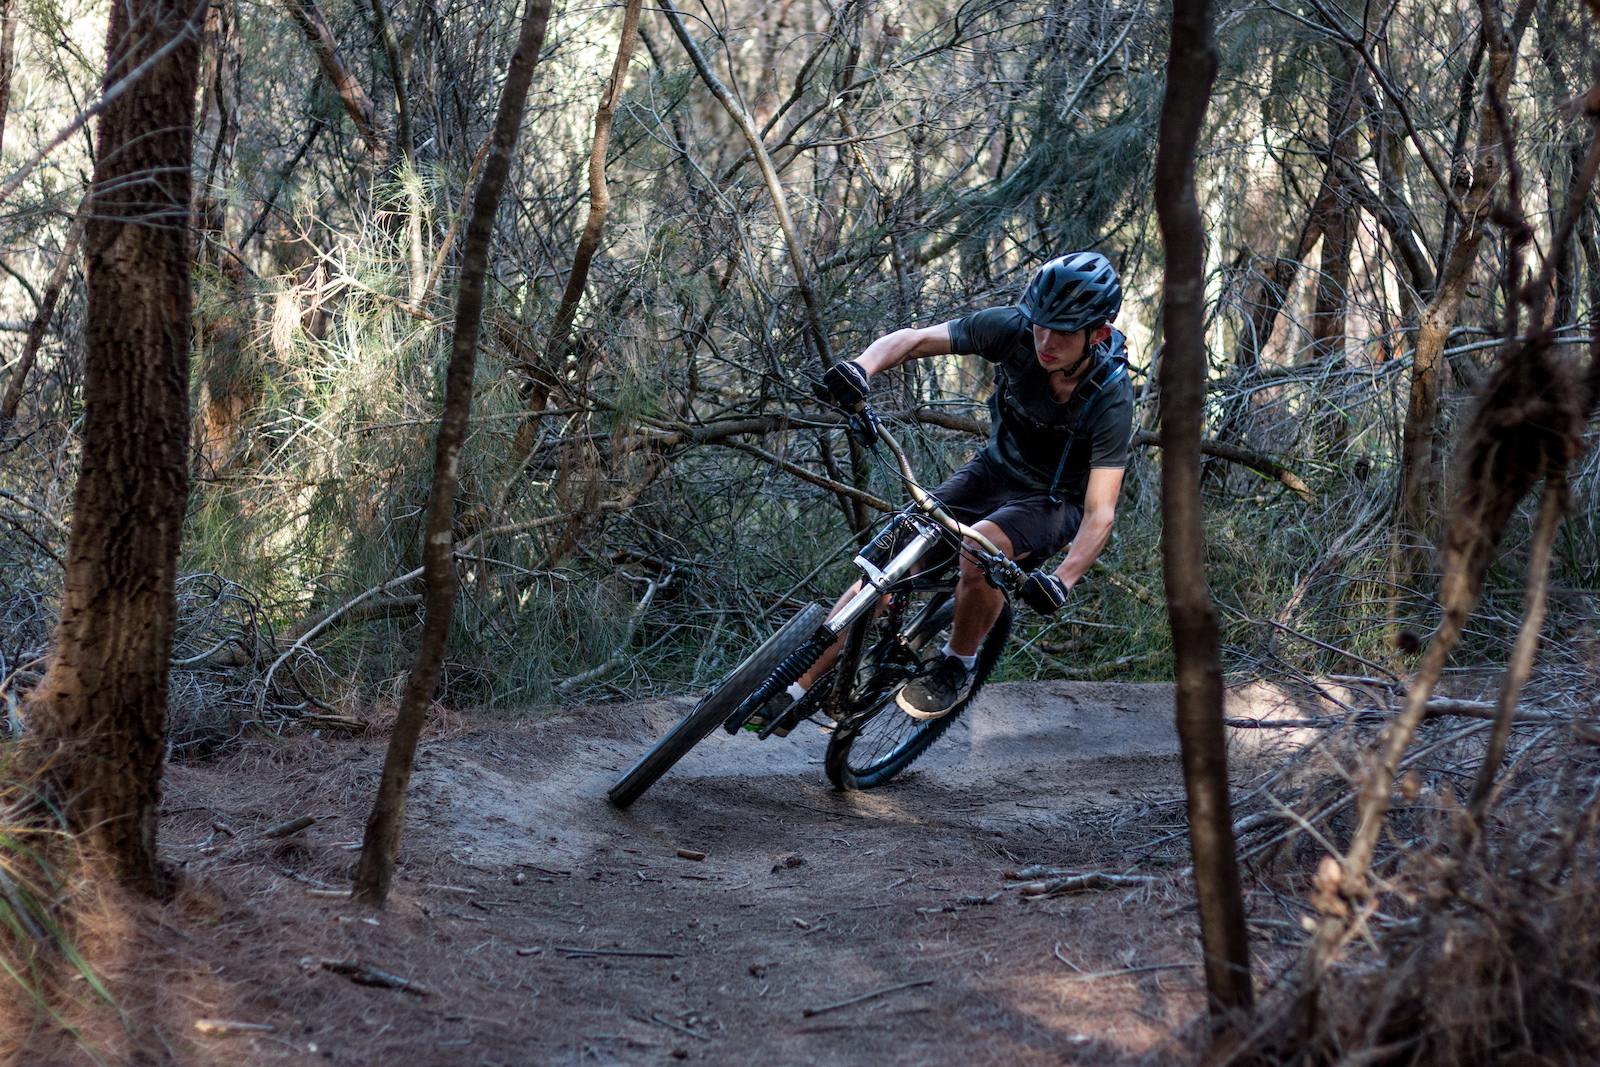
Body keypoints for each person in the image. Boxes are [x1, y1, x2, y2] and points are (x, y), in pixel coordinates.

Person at [767, 251, 1136, 723]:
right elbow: (915, 340)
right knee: (890, 558)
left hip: (1053, 501)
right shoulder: (1012, 330)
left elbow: (1100, 511)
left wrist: (1062, 580)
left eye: (1062, 331)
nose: (1044, 340)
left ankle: (956, 665)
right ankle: (796, 685)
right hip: (993, 471)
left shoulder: (1110, 397)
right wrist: (861, 367)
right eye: (1040, 324)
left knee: (978, 547)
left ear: (1098, 333)